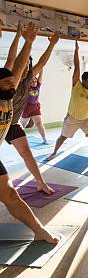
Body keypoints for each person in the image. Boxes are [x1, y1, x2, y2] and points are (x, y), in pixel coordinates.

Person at [0, 22, 59, 243]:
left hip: (12, 124)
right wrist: (18, 36)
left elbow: (30, 63)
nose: (11, 85)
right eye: (6, 83)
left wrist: (30, 42)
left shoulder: (16, 86)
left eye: (11, 81)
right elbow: (12, 60)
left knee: (12, 195)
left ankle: (40, 230)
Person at [5, 28, 60, 195]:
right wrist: (24, 40)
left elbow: (42, 63)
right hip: (0, 123)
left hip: (12, 123)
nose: (26, 68)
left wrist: (51, 45)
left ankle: (41, 183)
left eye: (28, 65)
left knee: (27, 153)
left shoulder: (29, 78)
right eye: (24, 65)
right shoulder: (8, 79)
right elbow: (11, 59)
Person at [47, 41, 88, 170]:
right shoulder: (77, 86)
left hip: (86, 119)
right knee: (63, 137)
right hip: (73, 118)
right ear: (83, 81)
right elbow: (77, 68)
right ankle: (54, 152)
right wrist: (76, 51)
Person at [20, 69, 48, 143]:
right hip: (26, 108)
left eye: (35, 80)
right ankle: (19, 140)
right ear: (28, 82)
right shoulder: (26, 87)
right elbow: (23, 78)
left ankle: (45, 139)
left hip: (35, 107)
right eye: (32, 81)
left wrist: (41, 68)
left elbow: (41, 74)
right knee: (22, 126)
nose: (34, 82)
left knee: (39, 123)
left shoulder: (38, 85)